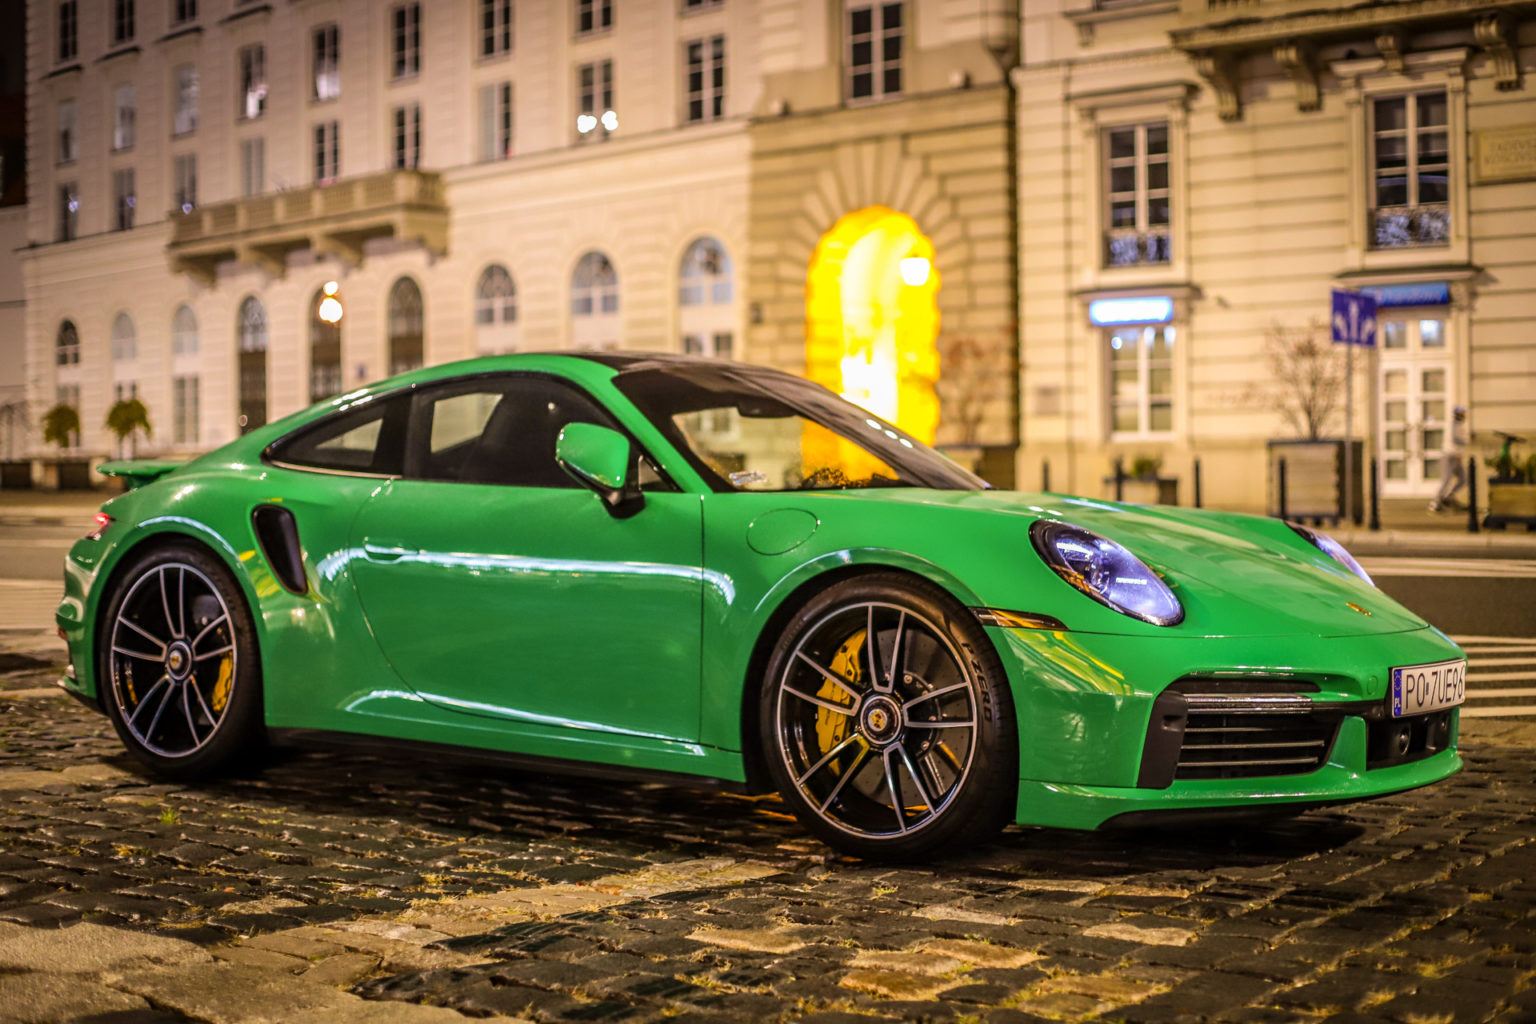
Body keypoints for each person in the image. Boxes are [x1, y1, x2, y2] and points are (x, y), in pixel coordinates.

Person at [1429, 405, 1470, 513]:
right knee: (1446, 480)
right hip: (1448, 456)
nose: (1463, 415)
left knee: (1463, 479)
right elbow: (1455, 439)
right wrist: (1466, 441)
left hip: (1456, 457)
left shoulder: (1460, 425)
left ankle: (1448, 498)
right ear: (1456, 414)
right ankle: (1435, 503)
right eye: (1461, 413)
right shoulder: (1453, 425)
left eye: (1463, 413)